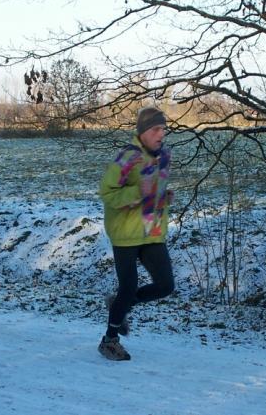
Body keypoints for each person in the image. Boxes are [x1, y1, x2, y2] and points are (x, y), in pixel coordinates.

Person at [97, 106, 175, 361]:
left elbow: (153, 191)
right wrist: (137, 192)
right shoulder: (126, 158)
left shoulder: (164, 157)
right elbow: (107, 194)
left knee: (165, 286)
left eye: (163, 129)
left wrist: (163, 198)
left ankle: (121, 305)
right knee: (128, 288)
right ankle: (110, 340)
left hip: (152, 231)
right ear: (142, 132)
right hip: (126, 234)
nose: (161, 134)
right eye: (155, 129)